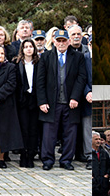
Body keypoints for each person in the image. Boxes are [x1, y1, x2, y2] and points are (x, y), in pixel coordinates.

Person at [36, 29, 87, 171]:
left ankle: (66, 160)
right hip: (51, 103)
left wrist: (75, 97)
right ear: (54, 41)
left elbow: (81, 78)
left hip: (71, 103)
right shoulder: (45, 57)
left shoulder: (78, 57)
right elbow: (40, 81)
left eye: (64, 40)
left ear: (69, 42)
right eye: (58, 40)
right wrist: (42, 101)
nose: (61, 43)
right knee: (48, 134)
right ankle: (47, 160)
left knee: (70, 134)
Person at [14, 39, 40, 168]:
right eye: (26, 47)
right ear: (22, 49)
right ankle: (23, 155)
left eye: (31, 46)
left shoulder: (39, 63)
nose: (28, 49)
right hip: (22, 100)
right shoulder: (17, 63)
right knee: (23, 129)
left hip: (35, 100)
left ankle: (31, 155)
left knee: (33, 130)